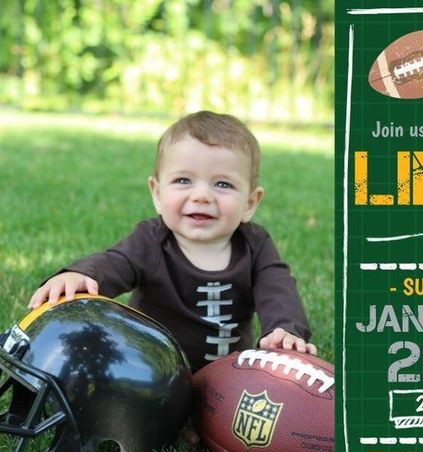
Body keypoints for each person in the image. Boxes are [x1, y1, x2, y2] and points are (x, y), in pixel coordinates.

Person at [28, 110, 317, 374]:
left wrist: (285, 329)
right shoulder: (152, 240)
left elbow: (278, 288)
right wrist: (83, 274)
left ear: (250, 203)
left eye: (223, 184)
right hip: (152, 374)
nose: (202, 195)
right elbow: (116, 261)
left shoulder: (255, 245)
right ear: (156, 193)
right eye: (183, 181)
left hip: (230, 385)